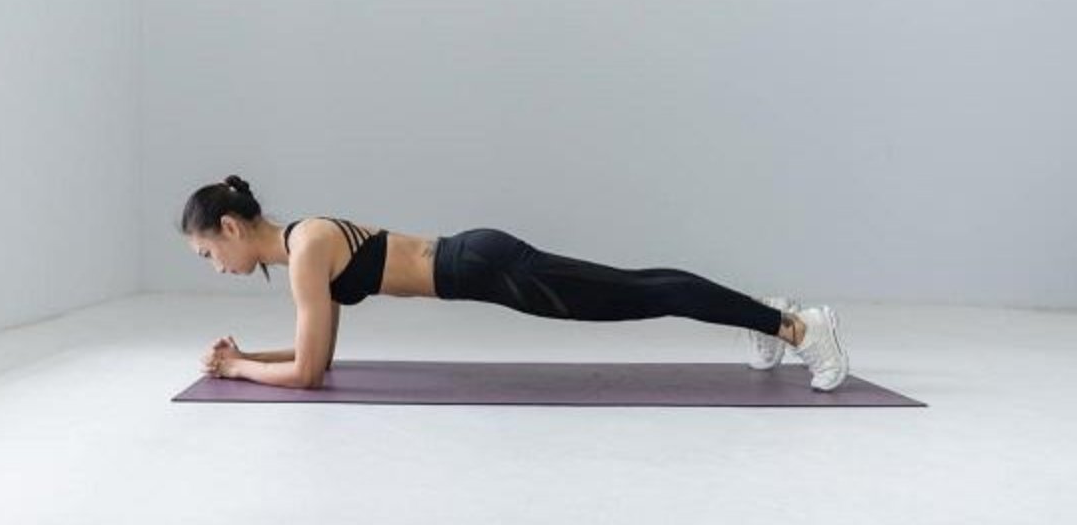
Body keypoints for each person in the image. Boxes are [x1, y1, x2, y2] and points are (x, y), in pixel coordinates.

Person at [182, 175, 849, 392]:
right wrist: (242, 359)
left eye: (209, 252)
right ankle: (766, 313)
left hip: (485, 267)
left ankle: (800, 329)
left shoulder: (306, 252)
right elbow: (313, 356)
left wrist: (239, 367)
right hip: (480, 260)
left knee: (642, 293)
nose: (215, 266)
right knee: (638, 288)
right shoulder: (305, 242)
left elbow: (308, 373)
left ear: (234, 229)